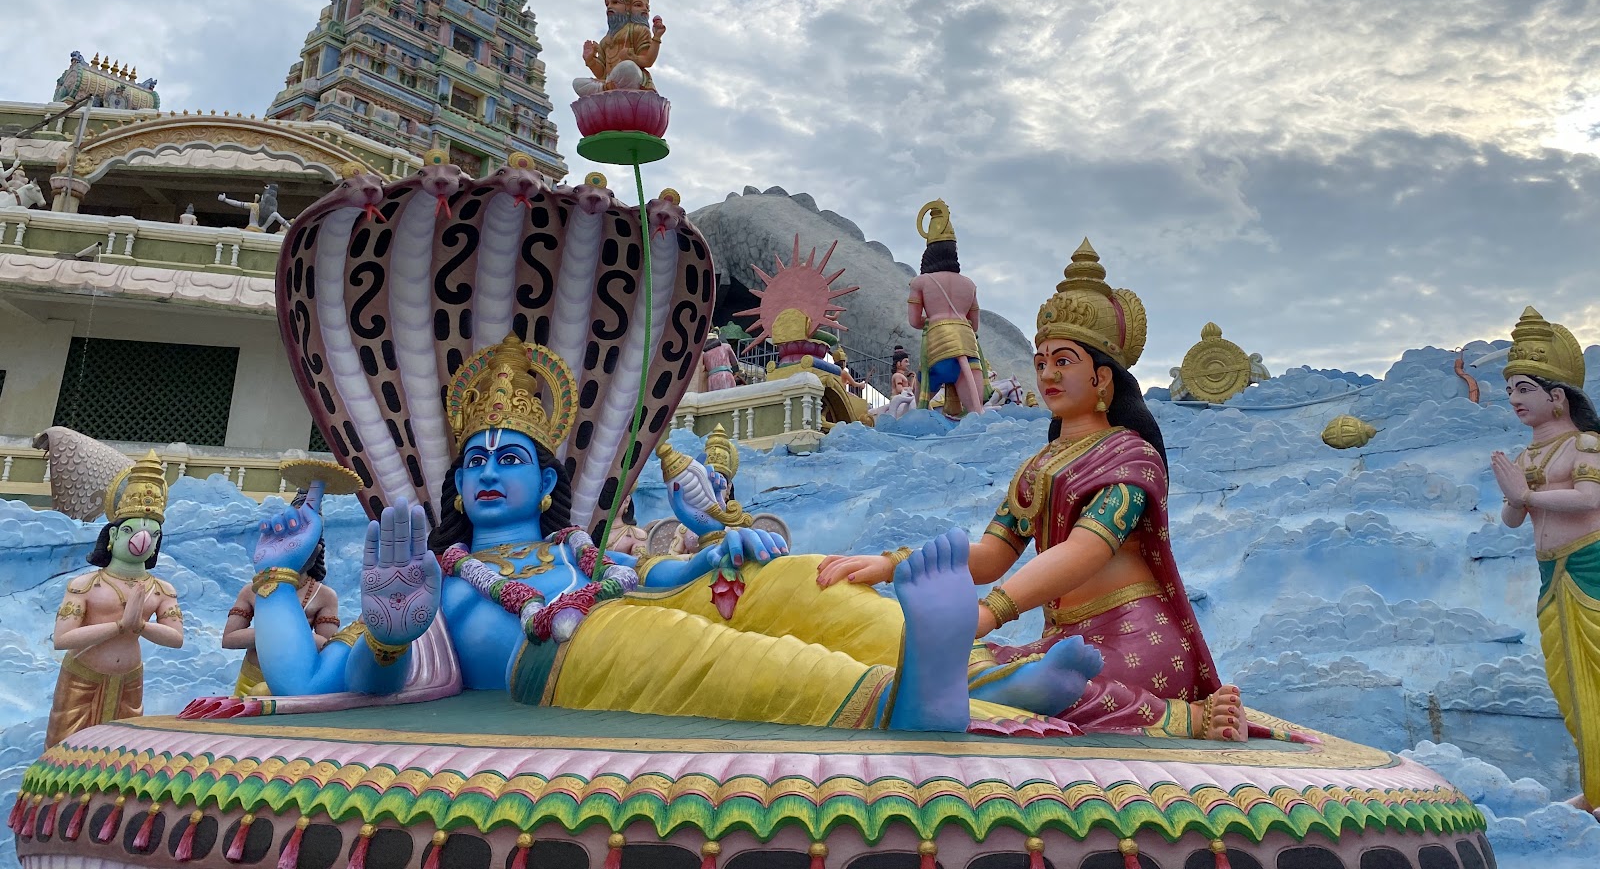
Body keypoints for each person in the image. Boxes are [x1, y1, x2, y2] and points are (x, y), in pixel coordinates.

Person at [247, 335, 1099, 732]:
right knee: (720, 660)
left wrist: (715, 554)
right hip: (569, 654)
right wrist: (299, 586)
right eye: (475, 462)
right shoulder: (434, 575)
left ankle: (986, 677)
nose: (489, 472)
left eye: (510, 458)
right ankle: (904, 701)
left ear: (547, 481)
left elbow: (641, 578)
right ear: (458, 486)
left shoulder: (576, 550)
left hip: (626, 600)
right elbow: (313, 676)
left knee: (786, 581)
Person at [821, 239, 1249, 740]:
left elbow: (1085, 551)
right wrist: (893, 565)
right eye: (1041, 362)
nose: (1047, 374)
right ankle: (1032, 685)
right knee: (962, 667)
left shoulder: (1132, 457)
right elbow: (991, 556)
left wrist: (989, 612)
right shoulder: (1037, 468)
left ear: (1102, 377)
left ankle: (1181, 716)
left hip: (1136, 638)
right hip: (1063, 645)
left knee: (1048, 689)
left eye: (1063, 361)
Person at [1489, 306, 1600, 816]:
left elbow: (1589, 499)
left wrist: (1527, 496)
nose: (1514, 399)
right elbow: (1514, 519)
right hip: (1551, 575)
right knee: (1569, 684)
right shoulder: (1527, 457)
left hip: (1589, 568)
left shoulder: (1586, 444)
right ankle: (1596, 789)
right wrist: (1516, 496)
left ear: (1557, 397)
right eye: (1510, 390)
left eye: (1524, 389)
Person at [46, 453, 184, 747]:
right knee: (67, 749)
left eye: (153, 534)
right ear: (112, 536)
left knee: (123, 752)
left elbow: (176, 638)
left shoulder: (161, 590)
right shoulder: (85, 585)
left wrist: (141, 626)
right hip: (82, 678)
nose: (142, 539)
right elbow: (62, 638)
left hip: (129, 680)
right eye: (130, 531)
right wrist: (121, 626)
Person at [222, 488, 338, 697]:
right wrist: (275, 634)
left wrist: (283, 634)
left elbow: (328, 648)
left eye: (304, 543)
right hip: (251, 679)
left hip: (296, 683)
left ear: (317, 549)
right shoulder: (253, 590)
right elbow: (229, 638)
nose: (293, 549)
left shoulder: (324, 596)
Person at [908, 200, 985, 418]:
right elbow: (974, 325)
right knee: (975, 415)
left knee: (920, 412)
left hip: (937, 348)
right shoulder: (969, 284)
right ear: (953, 251)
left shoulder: (920, 282)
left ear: (929, 252)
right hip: (968, 349)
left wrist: (933, 320)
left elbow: (914, 321)